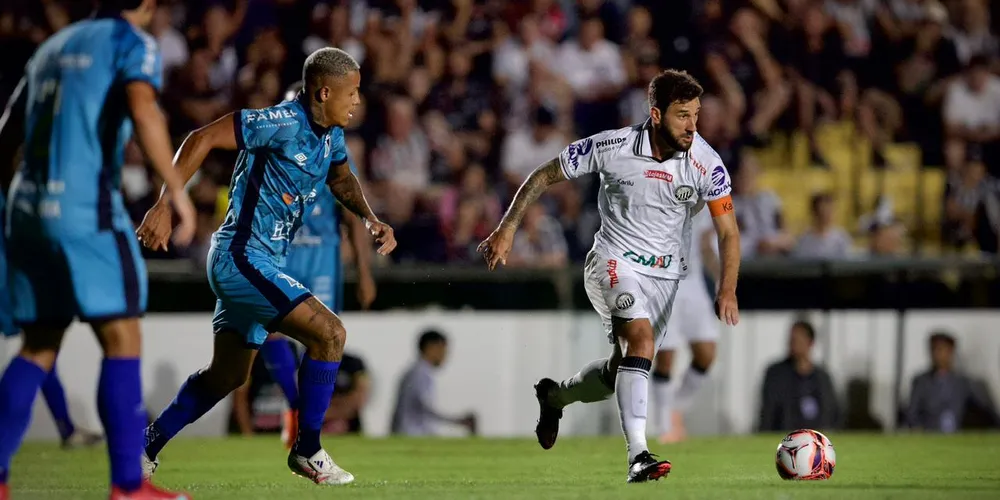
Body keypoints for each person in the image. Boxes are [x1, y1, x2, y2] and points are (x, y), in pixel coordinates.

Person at [134, 47, 395, 487]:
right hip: (241, 256)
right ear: (323, 91)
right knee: (330, 334)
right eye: (351, 93)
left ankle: (144, 446)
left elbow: (342, 179)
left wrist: (369, 217)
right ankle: (307, 449)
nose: (357, 101)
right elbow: (200, 138)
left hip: (261, 260)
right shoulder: (281, 123)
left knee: (229, 375)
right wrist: (165, 205)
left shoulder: (330, 135)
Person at [478, 69, 741, 483]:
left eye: (696, 115)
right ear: (656, 114)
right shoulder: (613, 145)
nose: (693, 126)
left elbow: (728, 231)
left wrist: (727, 289)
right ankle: (639, 454)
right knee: (642, 342)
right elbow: (544, 174)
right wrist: (508, 228)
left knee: (619, 369)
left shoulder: (706, 163)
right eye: (682, 116)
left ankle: (556, 395)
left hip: (666, 279)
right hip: (612, 262)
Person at [0, 1, 197, 499]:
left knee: (40, 344)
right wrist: (175, 191)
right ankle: (129, 488)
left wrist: (24, 205)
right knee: (122, 337)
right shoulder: (131, 43)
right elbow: (144, 108)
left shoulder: (53, 45)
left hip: (25, 207)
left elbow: (6, 135)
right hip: (86, 206)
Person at [262, 83, 377, 449]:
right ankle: (296, 410)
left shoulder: (332, 149)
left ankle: (307, 425)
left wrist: (364, 273)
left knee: (321, 343)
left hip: (323, 262)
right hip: (283, 257)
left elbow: (351, 213)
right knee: (271, 332)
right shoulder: (273, 148)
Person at [651, 209, 720, 444]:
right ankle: (665, 425)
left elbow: (706, 243)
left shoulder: (703, 193)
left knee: (707, 354)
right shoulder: (657, 188)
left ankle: (675, 409)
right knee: (666, 356)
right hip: (663, 280)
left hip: (694, 283)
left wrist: (723, 280)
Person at [758, 320, 840, 432]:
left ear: (810, 342)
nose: (793, 345)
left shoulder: (822, 378)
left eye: (798, 340)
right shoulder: (776, 374)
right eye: (792, 340)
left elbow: (833, 413)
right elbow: (768, 414)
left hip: (815, 440)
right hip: (786, 439)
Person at [390, 330, 476, 436]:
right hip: (412, 434)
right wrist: (457, 420)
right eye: (443, 350)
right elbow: (426, 408)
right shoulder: (420, 374)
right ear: (431, 348)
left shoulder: (417, 372)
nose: (445, 356)